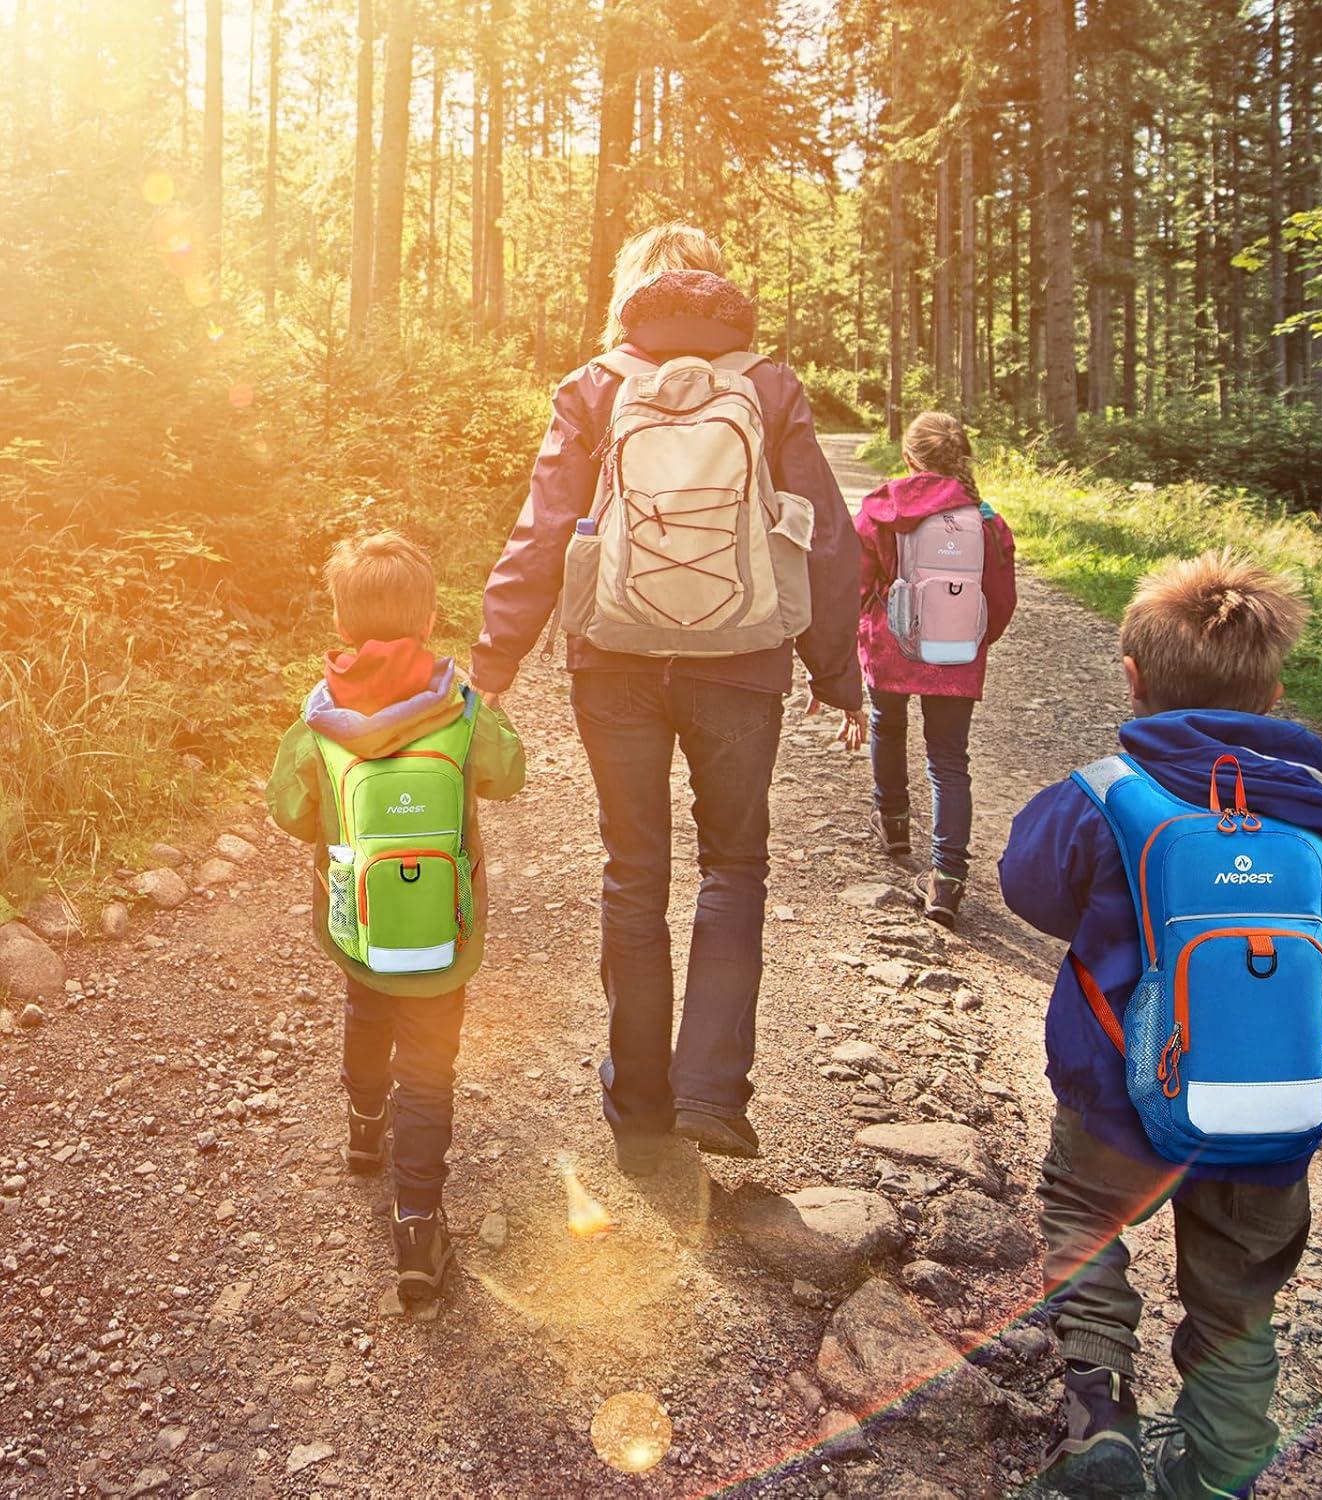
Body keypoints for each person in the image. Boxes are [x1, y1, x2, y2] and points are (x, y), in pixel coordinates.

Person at [999, 551, 1322, 1499]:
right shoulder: (1310, 814)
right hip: (1269, 1108)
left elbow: (1027, 888)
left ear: (1132, 679)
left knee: (1085, 1218)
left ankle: (1100, 1418)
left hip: (1118, 1103)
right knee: (1239, 1291)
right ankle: (1219, 1464)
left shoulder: (1102, 797)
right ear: (1274, 690)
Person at [469, 223, 863, 1173]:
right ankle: (712, 1094)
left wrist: (493, 661)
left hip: (613, 656)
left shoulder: (594, 385)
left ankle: (638, 1102)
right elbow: (821, 535)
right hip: (742, 658)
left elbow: (543, 527)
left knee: (634, 871)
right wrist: (837, 672)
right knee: (734, 866)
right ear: (713, 290)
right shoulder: (768, 386)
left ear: (630, 293)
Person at [267, 531, 525, 1307]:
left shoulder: (317, 721)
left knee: (364, 1006)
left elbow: (287, 812)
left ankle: (361, 1126)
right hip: (442, 930)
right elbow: (508, 775)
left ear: (341, 623)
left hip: (358, 924)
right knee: (430, 1068)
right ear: (429, 615)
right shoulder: (462, 708)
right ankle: (417, 1224)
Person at [855, 411, 1015, 927]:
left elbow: (857, 582)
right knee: (949, 760)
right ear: (961, 457)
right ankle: (947, 879)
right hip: (956, 651)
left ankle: (894, 824)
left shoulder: (883, 507)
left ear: (908, 456)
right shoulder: (987, 519)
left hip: (892, 644)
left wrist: (864, 628)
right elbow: (1001, 599)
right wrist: (971, 639)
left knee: (888, 726)